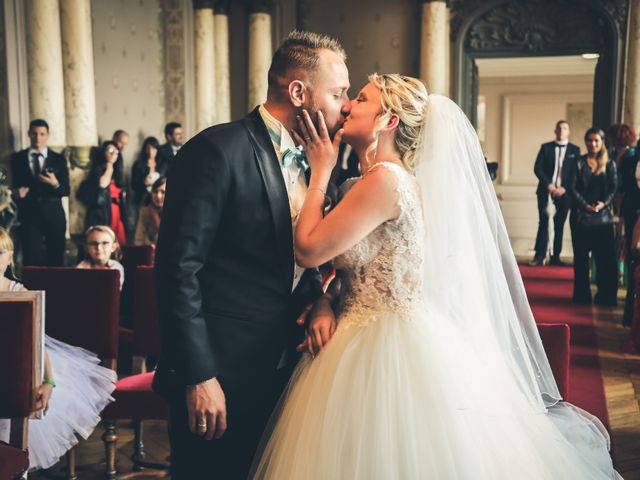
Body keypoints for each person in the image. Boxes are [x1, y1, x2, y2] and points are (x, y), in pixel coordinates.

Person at [251, 75, 619, 479]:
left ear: (387, 120)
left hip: (385, 343)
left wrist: (320, 170)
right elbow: (354, 268)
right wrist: (324, 299)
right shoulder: (367, 182)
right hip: (355, 326)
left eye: (361, 98)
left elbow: (307, 250)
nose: (348, 105)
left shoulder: (386, 182)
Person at [153, 30, 350, 479]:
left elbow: (305, 260)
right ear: (298, 91)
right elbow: (176, 271)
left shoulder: (321, 163)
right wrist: (198, 375)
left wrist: (320, 299)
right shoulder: (217, 150)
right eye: (338, 93)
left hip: (289, 370)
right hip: (221, 372)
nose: (346, 103)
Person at [0, 227, 117, 471]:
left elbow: (35, 341)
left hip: (14, 368)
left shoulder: (17, 292)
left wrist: (49, 381)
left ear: (9, 257)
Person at [569, 128, 618, 306]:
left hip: (602, 219)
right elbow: (572, 188)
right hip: (581, 217)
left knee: (604, 261)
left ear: (602, 141)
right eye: (589, 140)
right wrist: (585, 205)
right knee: (581, 261)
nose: (593, 144)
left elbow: (613, 188)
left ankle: (605, 297)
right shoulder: (578, 162)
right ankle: (582, 297)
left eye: (596, 140)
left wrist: (602, 204)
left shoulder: (610, 163)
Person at [10, 118, 69, 266]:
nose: (38, 138)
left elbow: (66, 190)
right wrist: (16, 193)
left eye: (42, 134)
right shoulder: (16, 158)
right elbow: (10, 188)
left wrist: (55, 183)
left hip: (54, 215)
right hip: (29, 216)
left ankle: (56, 289)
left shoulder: (59, 159)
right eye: (34, 134)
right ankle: (33, 289)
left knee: (56, 258)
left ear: (47, 135)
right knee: (30, 259)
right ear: (29, 134)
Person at [531, 120, 580, 266]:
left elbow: (575, 172)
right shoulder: (545, 147)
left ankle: (555, 257)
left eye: (565, 128)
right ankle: (539, 255)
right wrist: (549, 185)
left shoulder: (574, 150)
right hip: (545, 191)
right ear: (555, 130)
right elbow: (537, 168)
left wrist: (564, 187)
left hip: (565, 194)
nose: (561, 131)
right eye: (559, 128)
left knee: (559, 224)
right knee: (543, 222)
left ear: (568, 131)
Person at [77, 141, 127, 246]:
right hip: (103, 212)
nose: (113, 154)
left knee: (118, 244)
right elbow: (102, 184)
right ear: (103, 153)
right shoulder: (98, 169)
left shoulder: (118, 171)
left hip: (117, 212)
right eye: (110, 151)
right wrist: (109, 166)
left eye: (116, 152)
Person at [76, 225, 124, 290]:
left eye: (105, 243)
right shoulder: (81, 267)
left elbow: (112, 290)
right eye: (93, 243)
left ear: (113, 247)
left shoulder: (116, 268)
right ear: (86, 248)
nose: (98, 248)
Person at [131, 136, 167, 206]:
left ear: (157, 149)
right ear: (144, 150)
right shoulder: (138, 165)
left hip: (161, 199)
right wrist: (144, 182)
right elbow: (133, 185)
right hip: (143, 199)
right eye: (148, 148)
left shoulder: (163, 164)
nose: (150, 151)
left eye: (153, 148)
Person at [134, 176, 165, 246]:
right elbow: (138, 240)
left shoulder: (176, 213)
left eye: (163, 192)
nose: (158, 196)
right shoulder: (145, 212)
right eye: (155, 191)